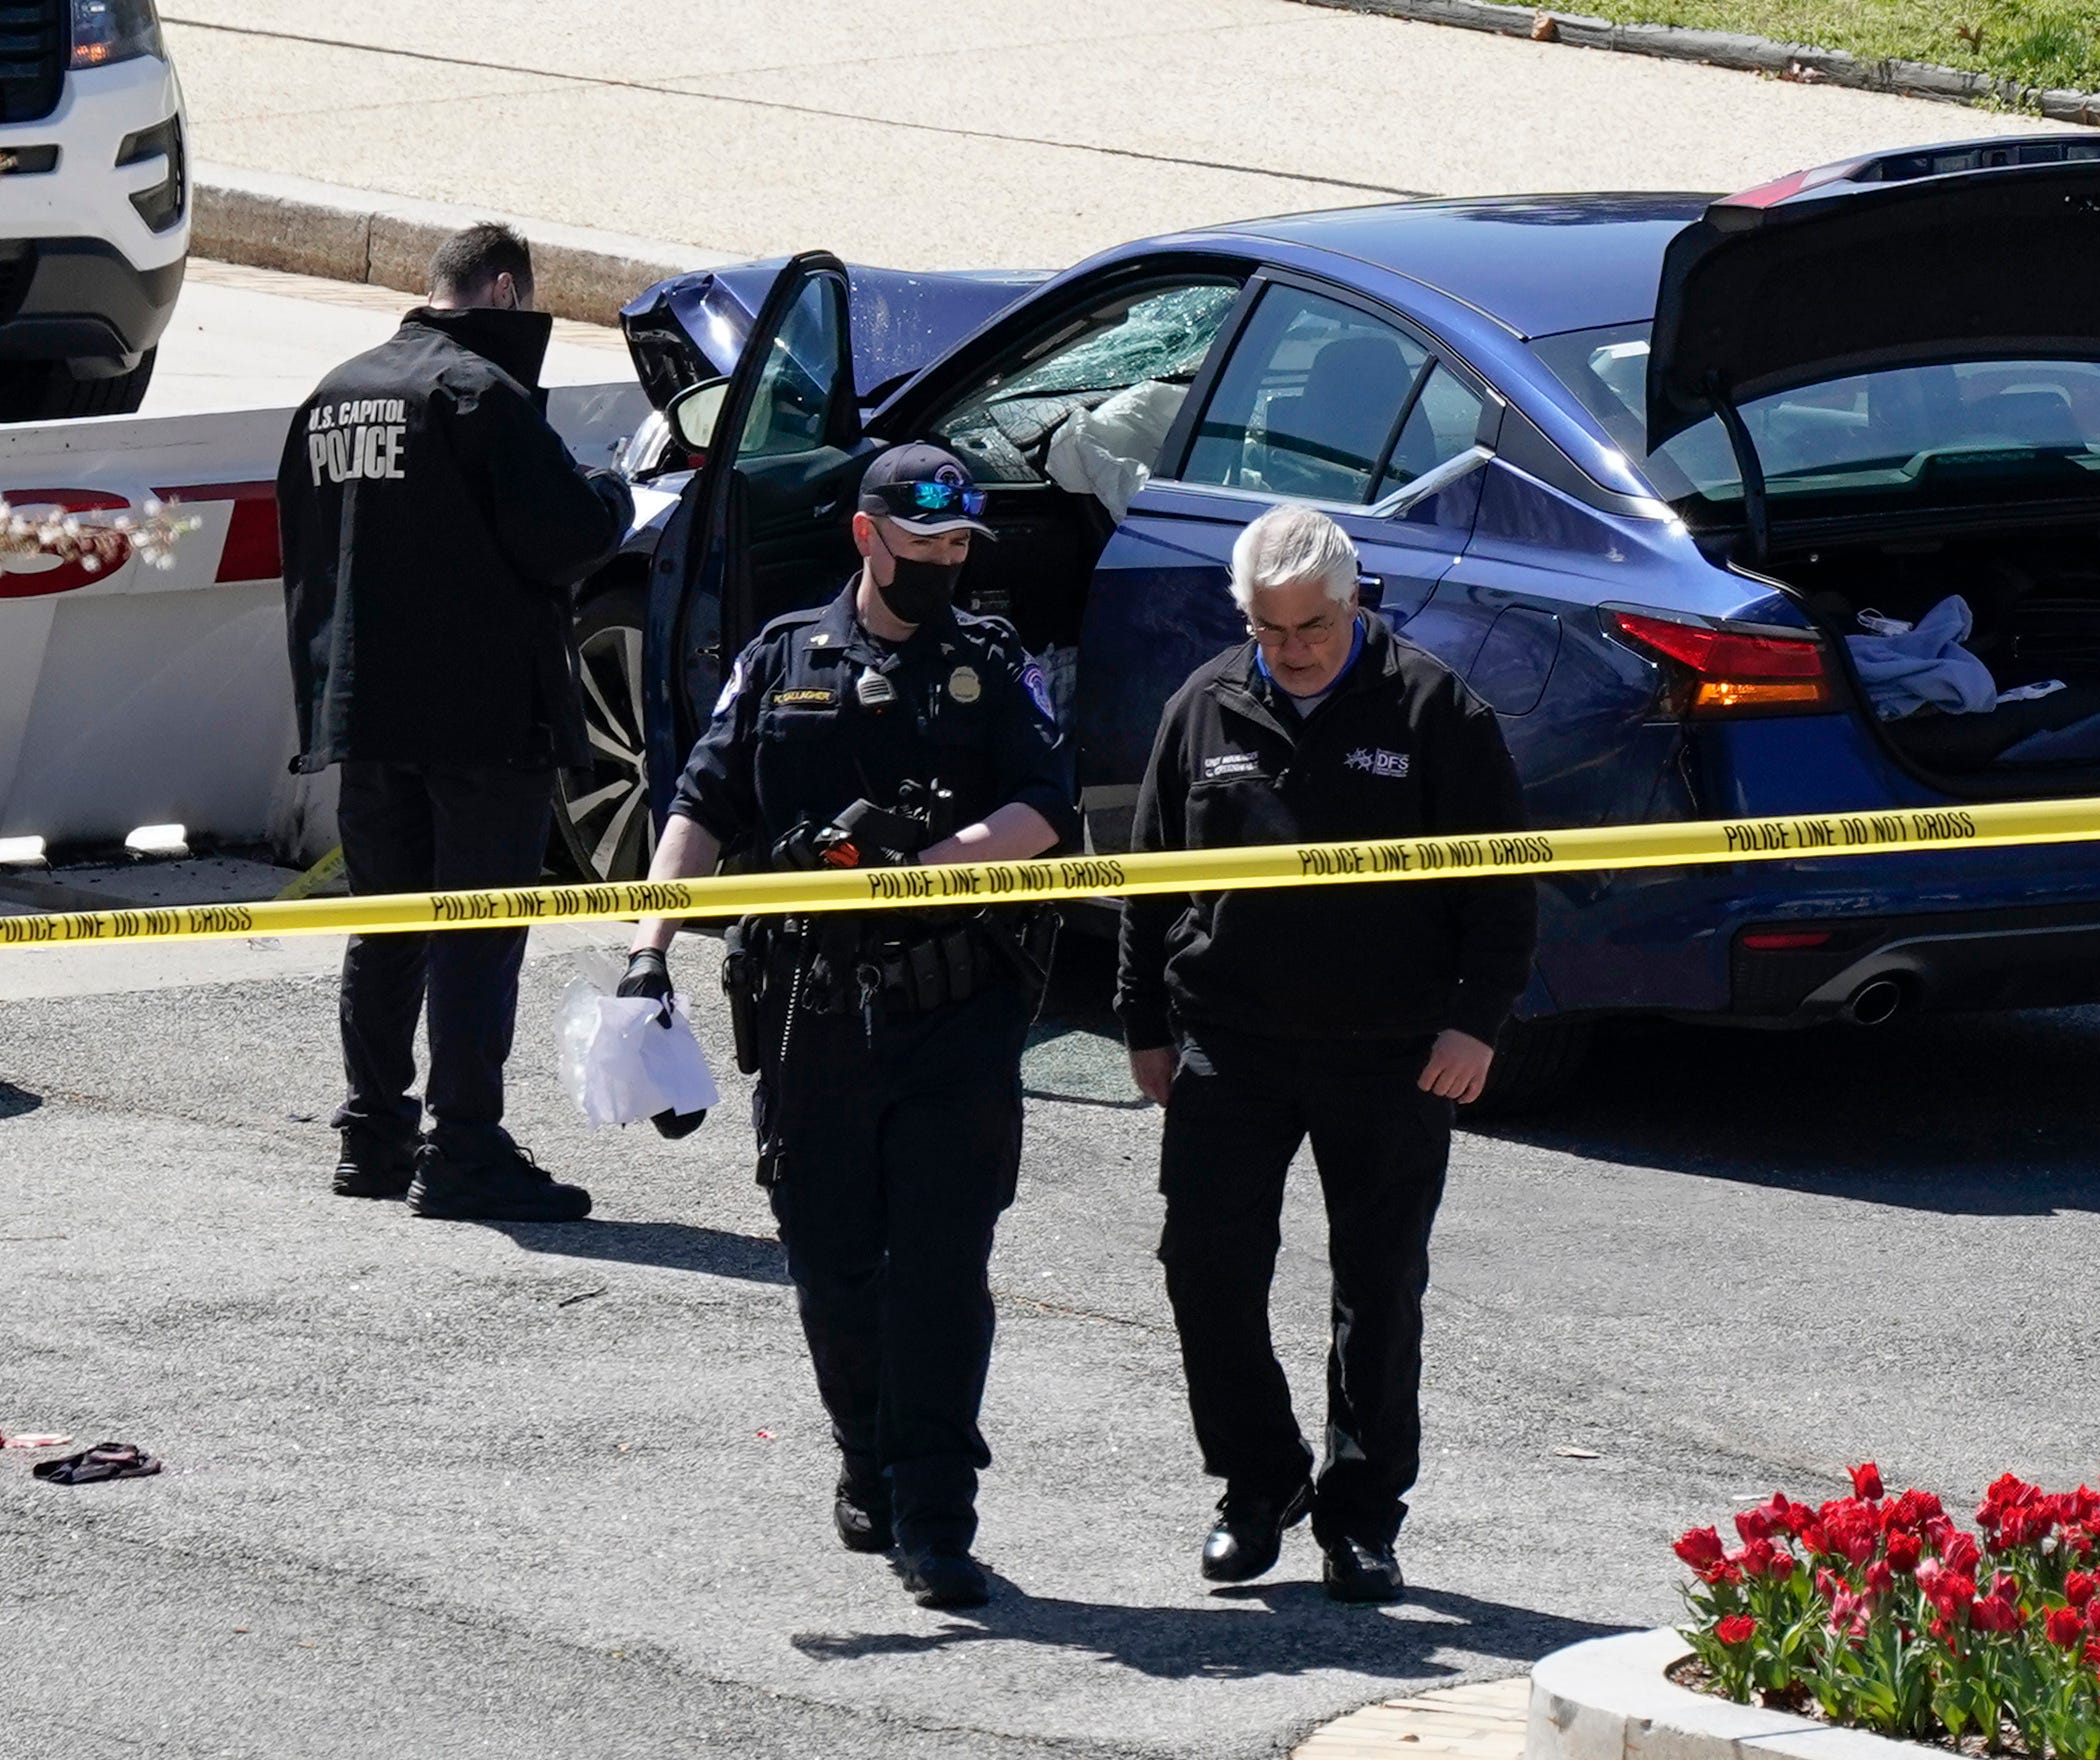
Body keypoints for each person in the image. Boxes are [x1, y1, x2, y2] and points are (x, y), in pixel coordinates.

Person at [618, 443, 1074, 1611]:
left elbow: (1046, 807)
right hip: (811, 1014)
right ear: (869, 539)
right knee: (829, 1261)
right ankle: (866, 1456)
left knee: (938, 1268)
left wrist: (928, 867)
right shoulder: (785, 657)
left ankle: (935, 1512)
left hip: (955, 1012)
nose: (950, 563)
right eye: (929, 545)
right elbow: (702, 805)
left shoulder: (988, 657)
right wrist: (648, 951)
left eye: (964, 544)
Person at [1116, 503, 1537, 1603]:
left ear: (1353, 601)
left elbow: (1502, 888)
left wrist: (1475, 1020)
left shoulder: (1437, 708)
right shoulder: (1203, 704)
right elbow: (1145, 874)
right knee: (1204, 1270)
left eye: (1310, 625)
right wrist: (1144, 1024)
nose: (1291, 647)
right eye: (1269, 627)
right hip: (1229, 1042)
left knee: (1379, 1287)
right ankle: (1256, 1485)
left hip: (1391, 1051)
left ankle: (1362, 1515)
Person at [277, 222, 632, 1222]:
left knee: (385, 926)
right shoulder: (483, 394)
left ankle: (374, 1134)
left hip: (364, 709)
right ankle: (465, 1144)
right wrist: (612, 492)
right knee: (475, 934)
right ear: (507, 289)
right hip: (481, 715)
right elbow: (563, 534)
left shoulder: (335, 393)